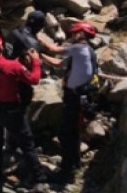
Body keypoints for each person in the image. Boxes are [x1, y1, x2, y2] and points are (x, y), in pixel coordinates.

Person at [0, 32, 45, 191]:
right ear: (1, 46)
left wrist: (16, 64)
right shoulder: (13, 67)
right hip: (11, 111)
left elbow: (0, 69)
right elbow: (34, 79)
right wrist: (35, 61)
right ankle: (38, 179)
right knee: (27, 145)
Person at [39, 21, 100, 184]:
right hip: (79, 98)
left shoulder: (80, 48)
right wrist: (39, 56)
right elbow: (57, 63)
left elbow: (55, 50)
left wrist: (39, 39)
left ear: (80, 35)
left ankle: (66, 173)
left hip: (75, 98)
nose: (72, 37)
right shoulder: (87, 52)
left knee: (67, 134)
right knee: (74, 132)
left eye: (75, 34)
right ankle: (74, 163)